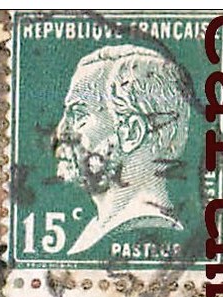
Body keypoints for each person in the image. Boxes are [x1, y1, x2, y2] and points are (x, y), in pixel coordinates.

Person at [54, 45, 191, 257]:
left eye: (79, 115)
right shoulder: (98, 231)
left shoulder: (143, 228)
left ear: (132, 133)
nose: (60, 133)